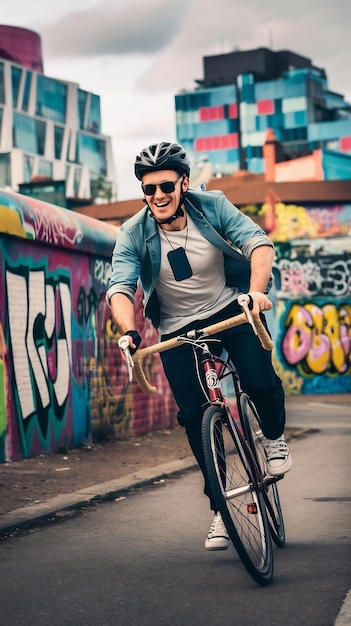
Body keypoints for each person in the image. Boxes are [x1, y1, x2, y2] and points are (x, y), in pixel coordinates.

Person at [107, 141, 292, 551]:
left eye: (166, 186)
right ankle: (221, 509)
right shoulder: (133, 232)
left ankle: (274, 437)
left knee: (260, 384)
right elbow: (120, 286)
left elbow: (258, 244)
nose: (158, 196)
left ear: (184, 183)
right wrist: (128, 330)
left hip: (231, 308)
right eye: (149, 188)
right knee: (194, 415)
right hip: (176, 328)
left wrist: (257, 293)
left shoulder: (212, 205)